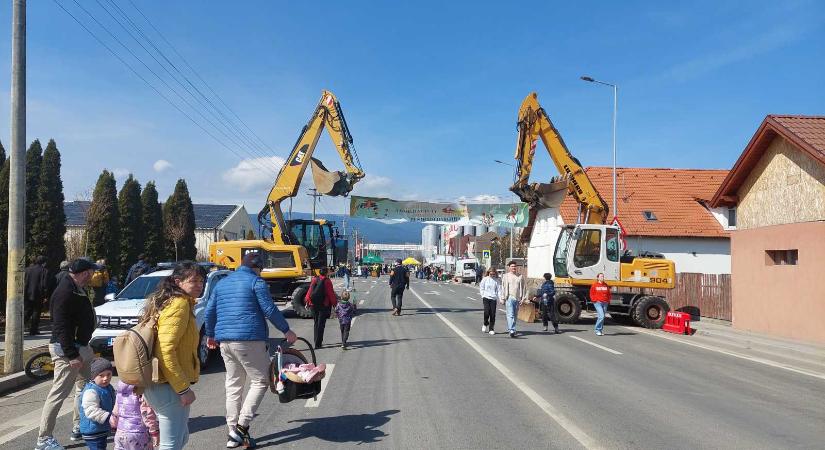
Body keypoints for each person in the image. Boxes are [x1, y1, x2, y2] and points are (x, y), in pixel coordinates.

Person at [205, 253, 297, 448]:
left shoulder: (222, 284)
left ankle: (232, 430)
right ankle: (241, 427)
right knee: (262, 380)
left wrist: (211, 334)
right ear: (258, 267)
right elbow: (269, 309)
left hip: (225, 342)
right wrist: (286, 330)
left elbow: (209, 311)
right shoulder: (256, 282)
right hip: (248, 339)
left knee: (233, 385)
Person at [138, 261, 203, 450]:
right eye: (194, 281)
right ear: (178, 281)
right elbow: (165, 350)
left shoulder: (171, 301)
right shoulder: (179, 305)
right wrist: (183, 389)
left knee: (179, 439)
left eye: (201, 280)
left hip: (164, 384)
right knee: (171, 444)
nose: (199, 285)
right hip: (168, 386)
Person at [36, 258, 100, 450]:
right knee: (58, 394)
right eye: (91, 272)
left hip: (81, 347)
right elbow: (61, 327)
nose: (93, 275)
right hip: (67, 351)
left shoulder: (76, 288)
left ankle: (79, 426)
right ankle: (44, 438)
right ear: (84, 273)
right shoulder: (65, 292)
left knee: (85, 388)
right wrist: (72, 355)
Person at [111, 380, 160, 450]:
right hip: (138, 434)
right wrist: (154, 432)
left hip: (120, 433)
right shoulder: (141, 389)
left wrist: (114, 425)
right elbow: (146, 414)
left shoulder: (120, 391)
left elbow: (115, 412)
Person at [79, 358, 115, 450]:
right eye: (101, 375)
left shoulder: (107, 387)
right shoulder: (91, 391)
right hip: (92, 431)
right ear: (93, 377)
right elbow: (91, 411)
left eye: (108, 374)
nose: (106, 378)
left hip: (101, 428)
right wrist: (109, 417)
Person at [305, 267, 337, 349]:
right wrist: (335, 304)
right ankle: (318, 344)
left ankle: (316, 341)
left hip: (313, 304)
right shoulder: (327, 281)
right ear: (326, 273)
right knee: (321, 324)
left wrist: (307, 301)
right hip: (323, 304)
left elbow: (310, 290)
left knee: (316, 323)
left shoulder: (315, 279)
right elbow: (331, 294)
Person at [500, 262, 528, 338]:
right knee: (510, 314)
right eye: (512, 266)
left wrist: (523, 298)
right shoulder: (506, 276)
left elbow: (524, 288)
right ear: (509, 267)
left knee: (515, 315)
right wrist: (502, 298)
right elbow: (503, 287)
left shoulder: (520, 276)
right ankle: (511, 329)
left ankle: (513, 328)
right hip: (509, 297)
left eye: (515, 266)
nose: (513, 268)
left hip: (517, 298)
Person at [24, 255, 50, 336]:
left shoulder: (27, 269)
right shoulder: (44, 271)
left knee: (27, 311)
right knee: (36, 312)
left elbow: (24, 282)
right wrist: (45, 296)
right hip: (38, 295)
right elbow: (45, 284)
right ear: (43, 263)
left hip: (27, 294)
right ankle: (33, 330)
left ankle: (20, 327)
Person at [478, 268, 500, 335]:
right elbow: (481, 287)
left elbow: (499, 290)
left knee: (492, 314)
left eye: (493, 274)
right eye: (491, 274)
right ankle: (485, 323)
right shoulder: (485, 279)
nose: (492, 275)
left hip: (493, 298)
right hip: (486, 297)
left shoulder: (496, 280)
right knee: (487, 312)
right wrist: (483, 295)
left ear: (495, 273)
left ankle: (491, 328)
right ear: (488, 273)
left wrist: (501, 298)